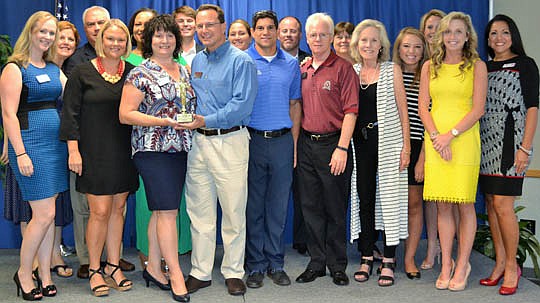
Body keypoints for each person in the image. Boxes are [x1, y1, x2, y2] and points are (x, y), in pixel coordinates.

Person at [180, 4, 257, 296]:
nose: (204, 31)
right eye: (199, 26)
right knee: (199, 211)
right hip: (198, 143)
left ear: (223, 27)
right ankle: (200, 271)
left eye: (209, 25)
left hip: (230, 141)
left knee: (234, 211)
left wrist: (206, 120)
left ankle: (233, 271)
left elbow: (241, 106)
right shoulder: (196, 61)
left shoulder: (242, 61)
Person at [60, 19, 139, 297]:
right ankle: (94, 268)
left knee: (118, 210)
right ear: (99, 41)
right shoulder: (81, 72)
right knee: (100, 212)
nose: (115, 44)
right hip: (92, 152)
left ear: (126, 42)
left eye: (120, 40)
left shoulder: (133, 72)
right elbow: (69, 115)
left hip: (124, 152)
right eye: (110, 39)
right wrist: (73, 150)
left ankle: (113, 266)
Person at [120, 14, 193, 302]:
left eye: (169, 35)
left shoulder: (183, 70)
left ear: (176, 39)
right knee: (168, 212)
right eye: (158, 36)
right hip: (152, 150)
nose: (164, 41)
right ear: (149, 40)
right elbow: (125, 114)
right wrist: (161, 122)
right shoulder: (140, 72)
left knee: (162, 210)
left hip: (181, 148)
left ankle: (152, 266)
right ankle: (174, 272)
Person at [1, 10, 68, 300]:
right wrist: (20, 152)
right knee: (44, 214)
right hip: (30, 148)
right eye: (43, 31)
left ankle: (44, 274)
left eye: (52, 33)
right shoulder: (14, 68)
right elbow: (8, 114)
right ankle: (23, 274)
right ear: (30, 32)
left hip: (55, 147)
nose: (48, 37)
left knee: (48, 216)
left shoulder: (54, 68)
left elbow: (74, 95)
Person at [418, 11, 487, 291]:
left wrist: (451, 136)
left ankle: (463, 264)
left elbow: (478, 109)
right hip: (436, 141)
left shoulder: (477, 66)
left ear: (468, 35)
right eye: (448, 31)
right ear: (441, 36)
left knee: (464, 204)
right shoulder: (428, 67)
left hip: (463, 141)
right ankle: (446, 263)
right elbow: (424, 107)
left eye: (459, 31)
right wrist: (436, 137)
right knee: (443, 204)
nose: (453, 37)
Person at [295, 12, 358, 287]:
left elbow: (351, 112)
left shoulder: (343, 68)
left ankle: (337, 264)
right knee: (310, 207)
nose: (317, 39)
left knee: (334, 207)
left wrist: (342, 148)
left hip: (335, 145)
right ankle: (316, 262)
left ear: (331, 37)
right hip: (307, 145)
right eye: (313, 35)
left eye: (323, 34)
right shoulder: (303, 68)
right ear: (306, 38)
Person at [479, 14, 538, 296]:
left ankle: (512, 266)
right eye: (493, 33)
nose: (499, 38)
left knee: (504, 204)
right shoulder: (484, 67)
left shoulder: (525, 65)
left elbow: (532, 108)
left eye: (504, 32)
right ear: (488, 39)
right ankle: (500, 262)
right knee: (491, 203)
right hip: (485, 143)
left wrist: (525, 148)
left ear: (513, 35)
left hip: (511, 144)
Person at [349, 19, 410, 287]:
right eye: (364, 40)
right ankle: (366, 254)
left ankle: (389, 258)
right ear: (357, 44)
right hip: (359, 145)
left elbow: (403, 110)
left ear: (381, 45)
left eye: (374, 40)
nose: (369, 45)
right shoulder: (351, 71)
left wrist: (407, 146)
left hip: (388, 143)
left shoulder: (391, 70)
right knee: (364, 199)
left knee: (389, 199)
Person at [244, 10, 301, 289]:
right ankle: (255, 265)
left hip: (281, 142)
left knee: (277, 207)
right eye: (260, 28)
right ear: (253, 32)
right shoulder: (242, 61)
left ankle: (275, 263)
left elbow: (295, 105)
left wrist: (294, 144)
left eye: (270, 28)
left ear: (278, 31)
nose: (265, 32)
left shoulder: (291, 64)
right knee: (253, 206)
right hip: (251, 141)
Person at [392, 27, 429, 280]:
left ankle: (409, 257)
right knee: (391, 204)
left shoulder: (429, 76)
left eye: (417, 47)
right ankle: (388, 254)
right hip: (390, 146)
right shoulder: (387, 73)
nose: (411, 52)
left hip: (418, 145)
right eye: (406, 46)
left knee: (414, 204)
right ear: (398, 48)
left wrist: (423, 157)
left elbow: (432, 119)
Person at [277, 15, 310, 255]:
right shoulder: (268, 59)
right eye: (284, 31)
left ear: (300, 35)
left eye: (293, 31)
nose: (289, 35)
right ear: (278, 34)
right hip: (274, 133)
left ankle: (303, 240)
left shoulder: (311, 61)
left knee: (304, 192)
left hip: (306, 134)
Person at [418, 8, 446, 271]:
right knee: (429, 197)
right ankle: (432, 245)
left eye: (440, 27)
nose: (434, 32)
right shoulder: (418, 61)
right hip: (422, 135)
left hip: (446, 137)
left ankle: (449, 250)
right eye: (430, 27)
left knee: (449, 198)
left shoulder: (453, 62)